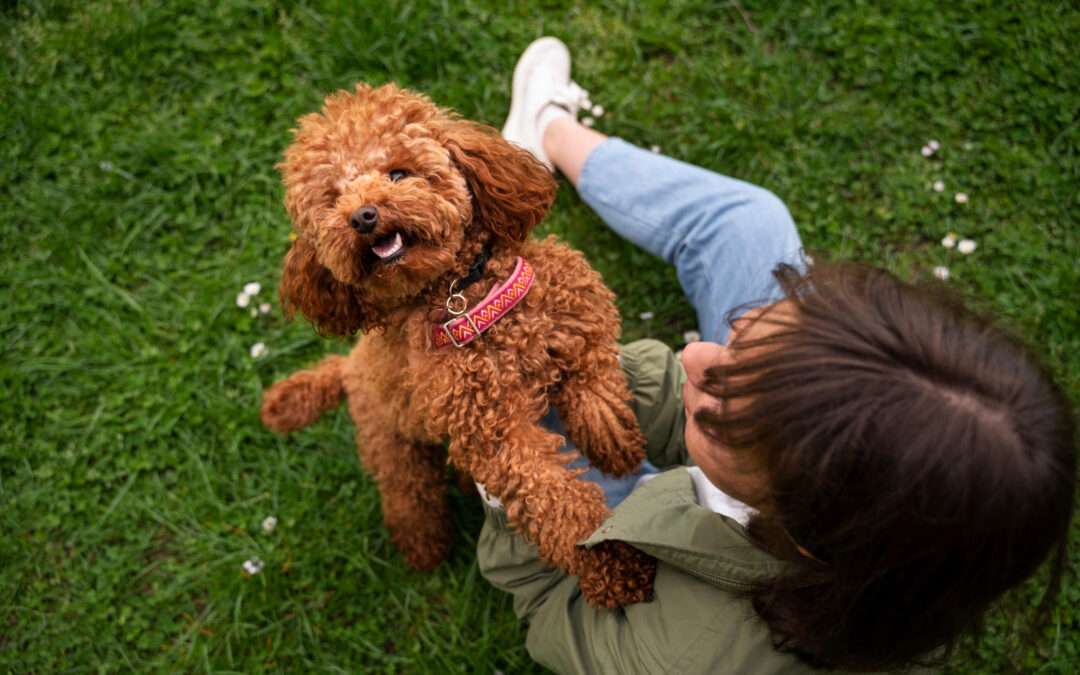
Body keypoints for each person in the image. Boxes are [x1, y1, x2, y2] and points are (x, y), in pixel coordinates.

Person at [475, 37, 1078, 674]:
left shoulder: (685, 655)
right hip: (770, 494)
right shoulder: (927, 535)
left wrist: (511, 484)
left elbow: (548, 605)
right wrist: (635, 385)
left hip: (660, 546)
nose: (695, 352)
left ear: (803, 528)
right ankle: (544, 133)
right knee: (751, 226)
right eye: (751, 334)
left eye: (723, 403)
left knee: (525, 422)